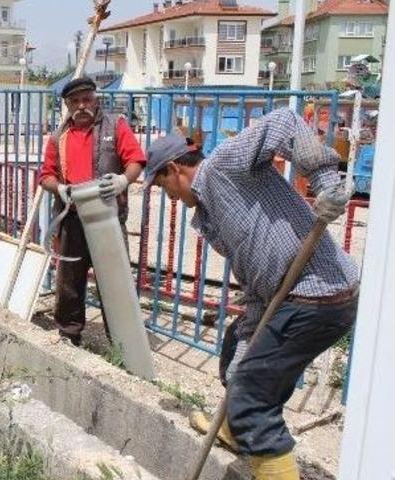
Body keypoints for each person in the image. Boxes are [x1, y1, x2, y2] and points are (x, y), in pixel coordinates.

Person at [143, 108, 357, 479]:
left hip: (318, 297)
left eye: (164, 187)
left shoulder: (223, 168)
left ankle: (249, 425)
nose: (171, 198)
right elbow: (259, 289)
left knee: (253, 401)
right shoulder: (209, 213)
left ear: (175, 169)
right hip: (291, 298)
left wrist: (325, 184)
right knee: (236, 350)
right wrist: (244, 352)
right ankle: (234, 429)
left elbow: (285, 122)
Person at [37, 76, 146, 346]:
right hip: (72, 220)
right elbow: (46, 175)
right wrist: (60, 188)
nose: (81, 105)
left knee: (115, 283)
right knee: (69, 282)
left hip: (108, 219)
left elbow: (135, 160)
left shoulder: (115, 126)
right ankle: (69, 335)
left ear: (95, 99)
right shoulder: (58, 138)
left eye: (86, 99)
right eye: (75, 101)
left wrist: (123, 180)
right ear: (67, 105)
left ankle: (123, 343)